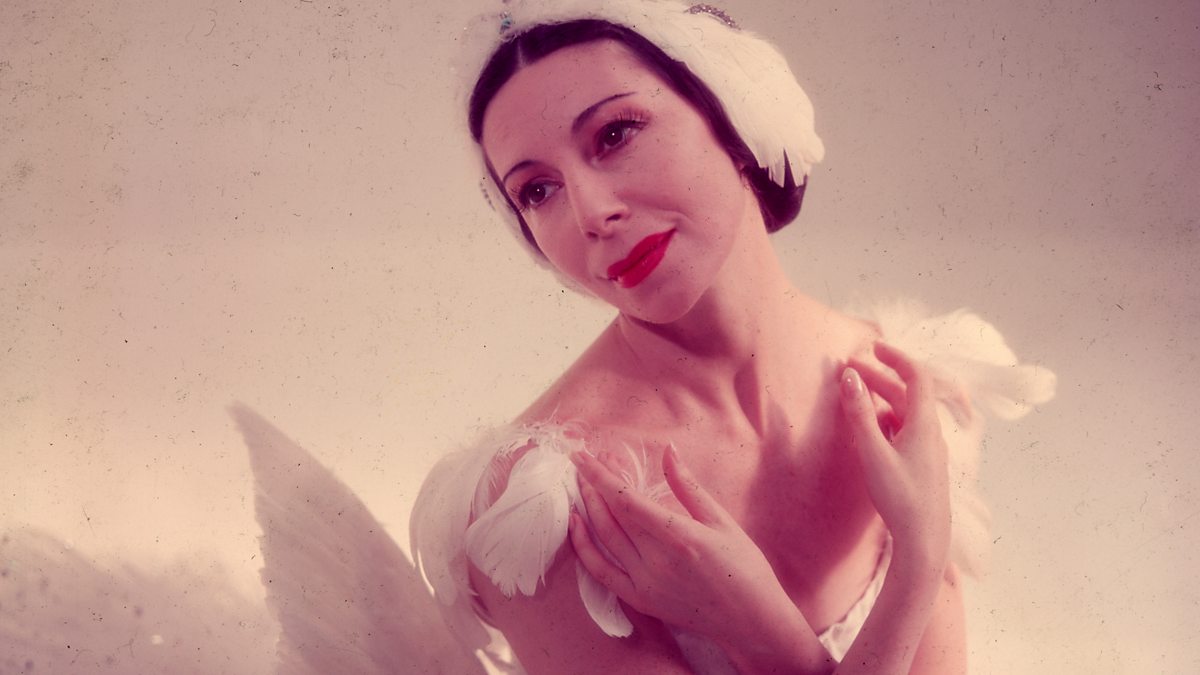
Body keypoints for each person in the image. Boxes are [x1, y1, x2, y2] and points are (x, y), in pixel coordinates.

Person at [411, 2, 1056, 673]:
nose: (592, 213)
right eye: (538, 190)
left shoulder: (905, 389)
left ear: (730, 115)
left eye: (615, 134)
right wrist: (916, 558)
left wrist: (771, 634)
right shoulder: (542, 504)